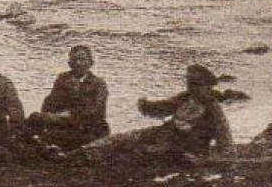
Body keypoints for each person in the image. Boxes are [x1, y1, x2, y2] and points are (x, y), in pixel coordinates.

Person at [83, 63, 233, 167]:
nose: (192, 87)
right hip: (162, 134)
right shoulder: (184, 98)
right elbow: (162, 108)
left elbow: (227, 147)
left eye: (197, 84)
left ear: (208, 86)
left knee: (135, 154)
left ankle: (90, 158)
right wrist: (145, 105)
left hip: (183, 148)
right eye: (190, 83)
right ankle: (83, 152)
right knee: (121, 138)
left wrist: (204, 160)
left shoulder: (214, 111)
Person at [25, 45, 110, 153]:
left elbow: (95, 111)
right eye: (74, 59)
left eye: (82, 59)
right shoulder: (63, 79)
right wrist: (48, 115)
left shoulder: (98, 84)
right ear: (69, 63)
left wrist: (67, 115)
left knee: (53, 137)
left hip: (89, 127)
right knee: (35, 118)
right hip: (64, 123)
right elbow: (50, 102)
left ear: (90, 63)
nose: (78, 63)